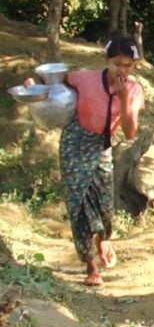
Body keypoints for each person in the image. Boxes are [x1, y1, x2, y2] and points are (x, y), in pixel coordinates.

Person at [49, 37, 144, 286]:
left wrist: (123, 98)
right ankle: (91, 265)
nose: (121, 70)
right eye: (116, 64)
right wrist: (35, 85)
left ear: (134, 66)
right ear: (106, 61)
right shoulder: (84, 78)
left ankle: (103, 239)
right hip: (74, 144)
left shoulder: (134, 91)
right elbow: (56, 82)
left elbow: (130, 131)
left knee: (105, 206)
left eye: (127, 65)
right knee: (78, 204)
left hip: (101, 148)